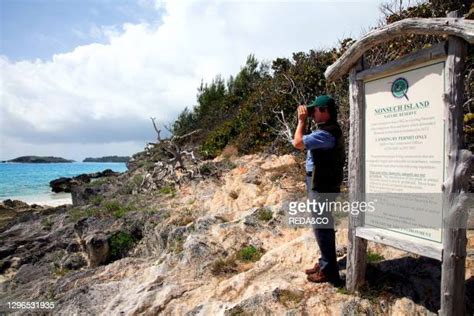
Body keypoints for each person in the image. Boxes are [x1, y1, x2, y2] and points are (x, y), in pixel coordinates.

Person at [292, 95, 345, 285]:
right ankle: (325, 262)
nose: (312, 113)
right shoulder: (326, 130)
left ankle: (329, 271)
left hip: (322, 185)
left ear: (325, 111)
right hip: (320, 182)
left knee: (322, 225)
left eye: (315, 110)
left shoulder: (327, 133)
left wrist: (301, 121)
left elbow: (297, 143)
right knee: (322, 224)